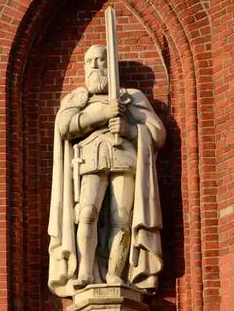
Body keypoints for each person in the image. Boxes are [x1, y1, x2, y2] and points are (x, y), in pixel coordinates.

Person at [48, 45, 166, 297]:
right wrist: (103, 113)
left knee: (121, 219)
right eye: (89, 61)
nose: (94, 65)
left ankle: (115, 273)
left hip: (124, 159)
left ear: (110, 65)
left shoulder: (130, 97)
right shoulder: (79, 98)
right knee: (86, 213)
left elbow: (157, 133)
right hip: (89, 159)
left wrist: (130, 130)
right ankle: (85, 271)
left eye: (100, 60)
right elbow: (65, 127)